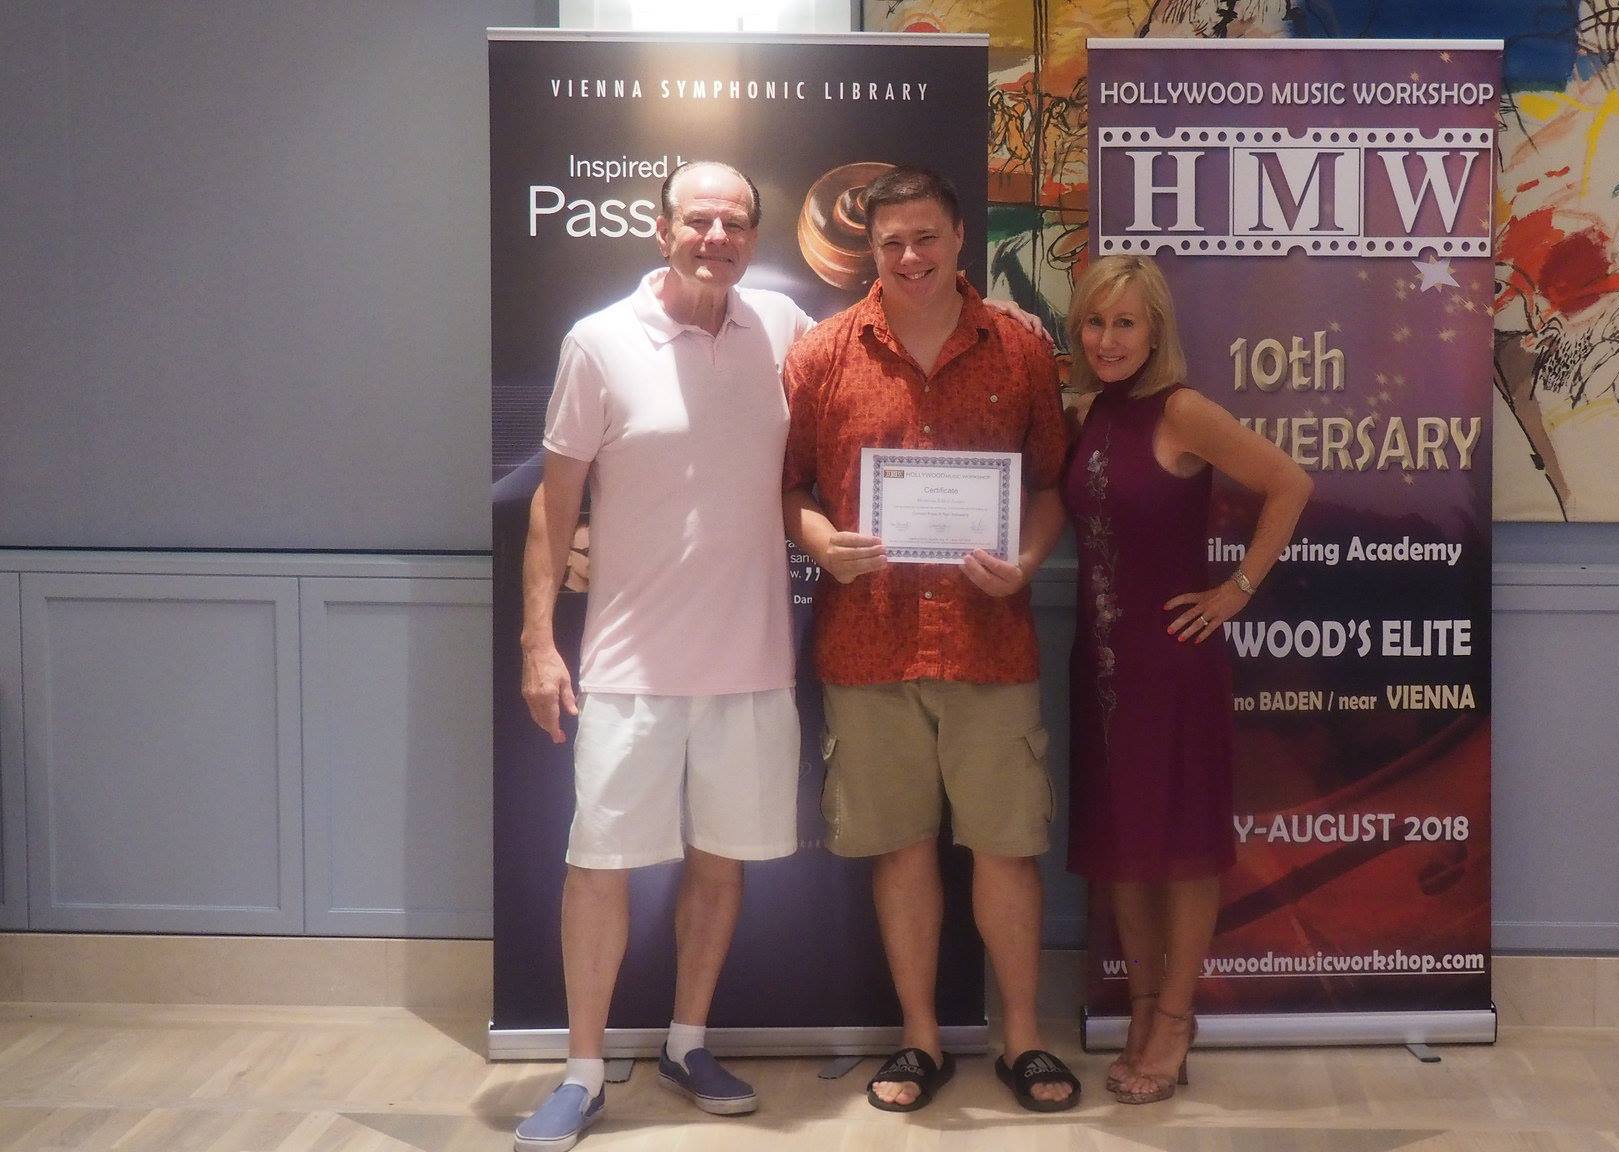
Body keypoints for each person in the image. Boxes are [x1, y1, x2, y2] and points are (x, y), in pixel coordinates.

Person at [511, 160, 807, 1152]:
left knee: (720, 861)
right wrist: (536, 646)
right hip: (627, 663)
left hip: (752, 657)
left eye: (732, 221)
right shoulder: (597, 342)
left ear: (753, 234)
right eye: (697, 220)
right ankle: (583, 1071)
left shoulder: (785, 331)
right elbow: (554, 508)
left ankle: (686, 1043)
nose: (713, 236)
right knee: (598, 863)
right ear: (661, 227)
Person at [780, 166, 1081, 1113]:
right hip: (867, 646)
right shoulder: (825, 355)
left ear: (959, 239)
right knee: (900, 846)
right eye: (890, 242)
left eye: (925, 238)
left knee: (1005, 848)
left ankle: (1022, 1041)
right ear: (871, 250)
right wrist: (822, 540)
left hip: (989, 641)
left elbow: (1047, 485)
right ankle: (920, 1040)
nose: (908, 257)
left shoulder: (1023, 351)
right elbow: (786, 488)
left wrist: (1029, 560)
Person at [1060, 254, 1313, 1105]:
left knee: (1183, 852)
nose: (1108, 338)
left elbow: (1289, 482)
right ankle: (1139, 1008)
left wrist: (1236, 589)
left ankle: (1174, 1019)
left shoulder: (1184, 409)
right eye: (1094, 322)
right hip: (1098, 671)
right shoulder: (1091, 411)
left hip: (1172, 665)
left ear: (1156, 330)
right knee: (1125, 854)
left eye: (1125, 323)